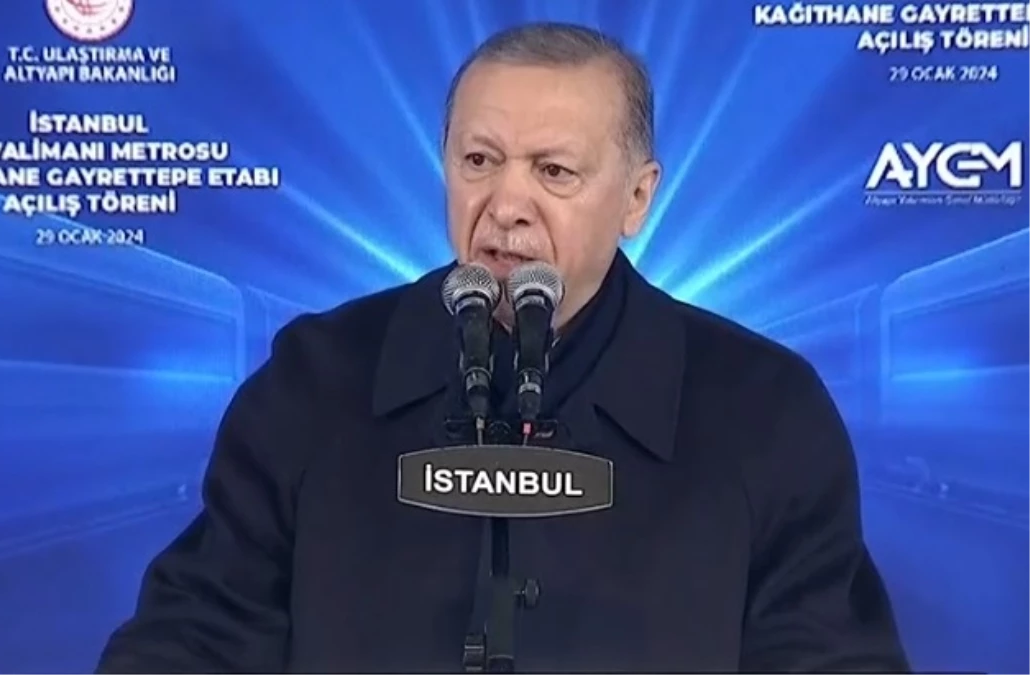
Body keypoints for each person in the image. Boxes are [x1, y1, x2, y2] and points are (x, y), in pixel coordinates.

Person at [96, 22, 908, 672]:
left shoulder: (764, 408)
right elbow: (198, 633)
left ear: (636, 197)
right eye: (479, 160)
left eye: (554, 171)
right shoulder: (316, 379)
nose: (506, 202)